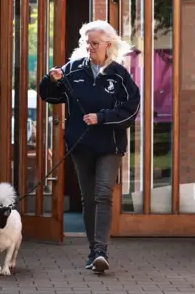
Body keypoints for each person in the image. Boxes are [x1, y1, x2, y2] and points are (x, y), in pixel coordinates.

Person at [38, 20, 140, 273]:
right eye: (87, 43)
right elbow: (49, 95)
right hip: (81, 144)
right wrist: (50, 79)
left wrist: (102, 117)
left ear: (108, 44)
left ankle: (101, 251)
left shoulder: (119, 74)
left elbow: (131, 108)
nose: (90, 47)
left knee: (103, 194)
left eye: (95, 43)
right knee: (89, 198)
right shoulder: (73, 70)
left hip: (109, 144)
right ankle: (93, 251)